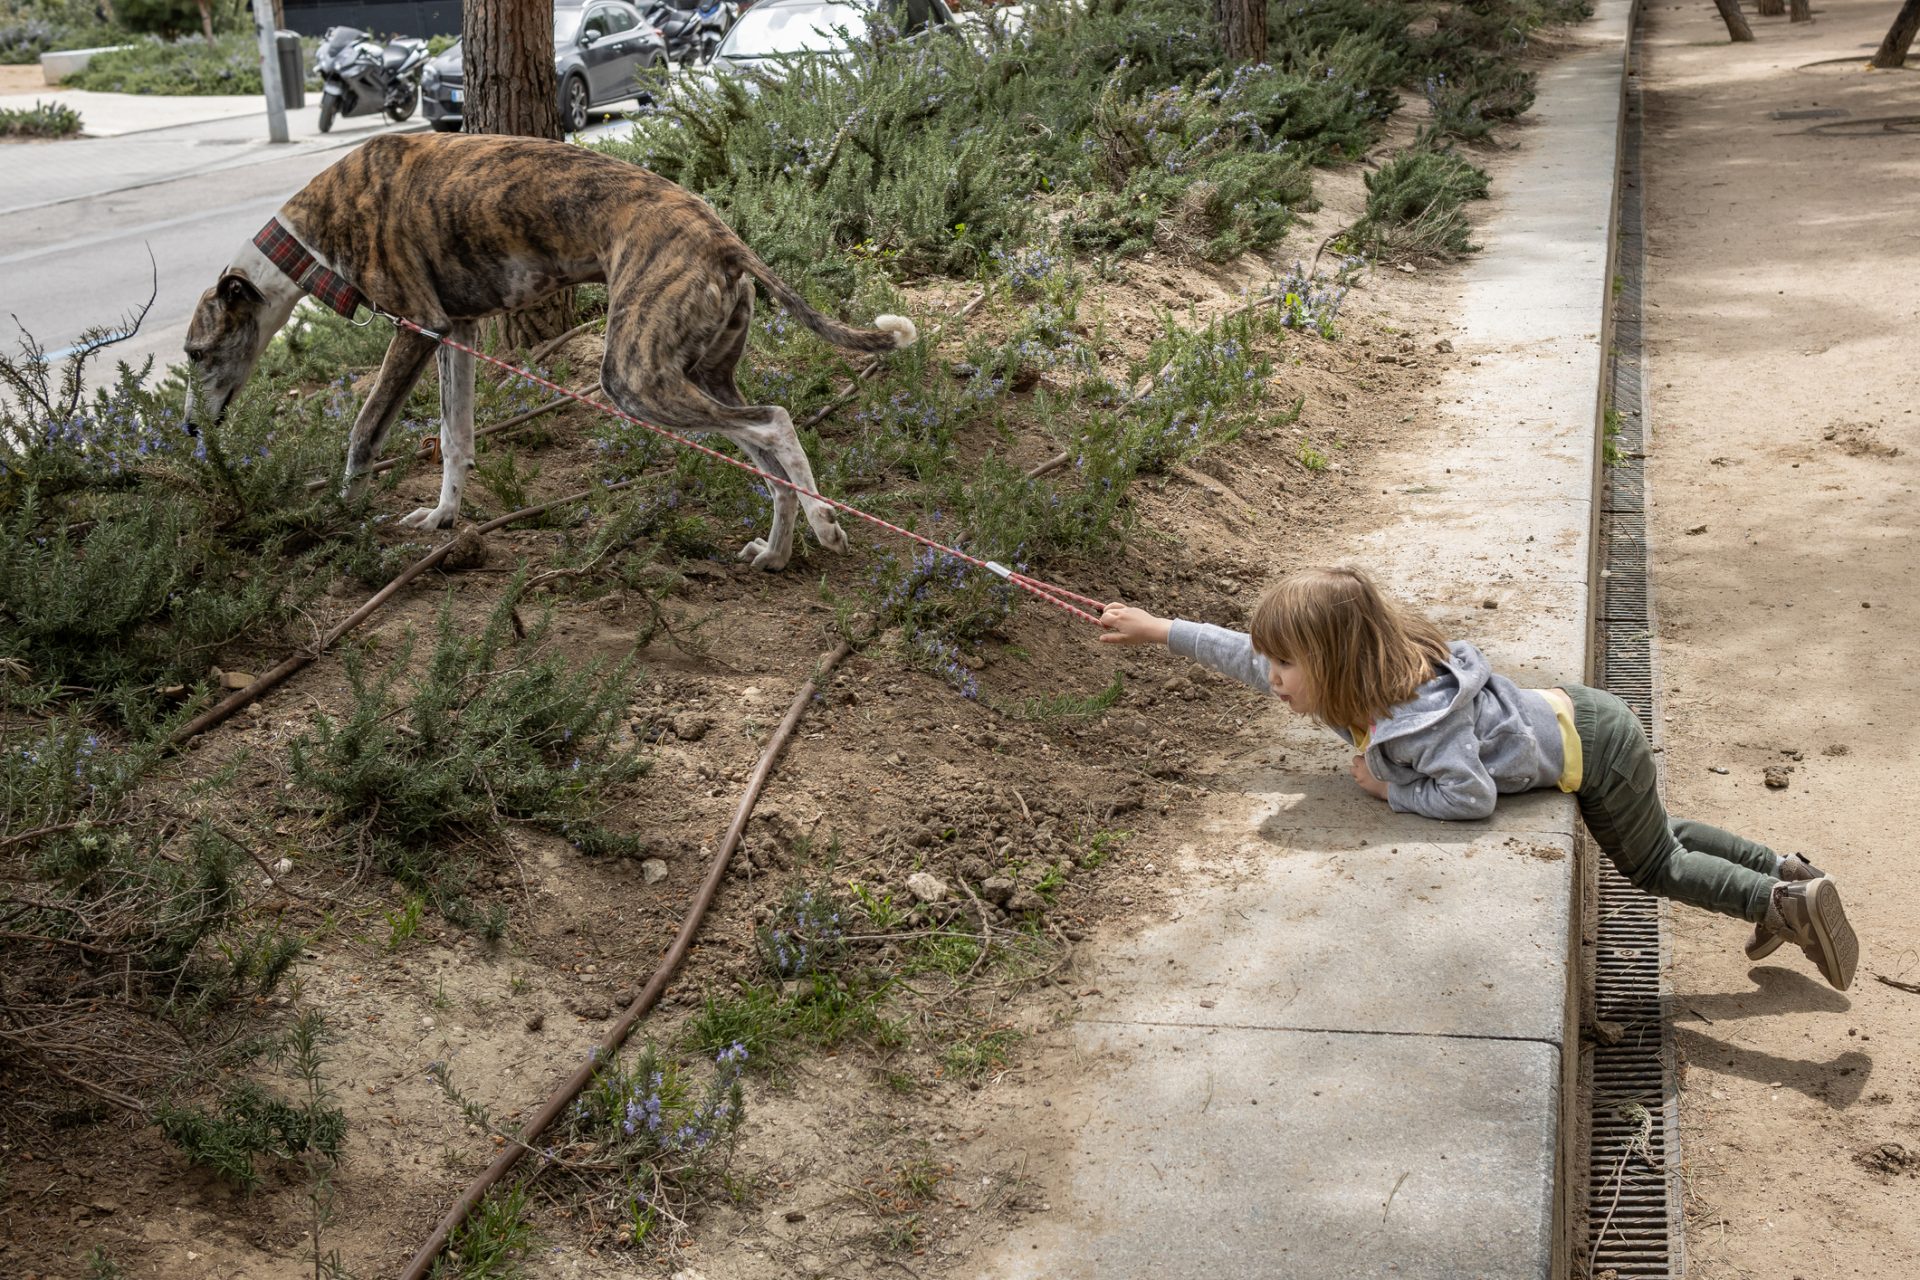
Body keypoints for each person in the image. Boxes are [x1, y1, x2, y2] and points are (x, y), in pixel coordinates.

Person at [1097, 566, 1860, 991]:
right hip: (1587, 719)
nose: (1270, 677)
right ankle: (1786, 872)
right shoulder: (1365, 678)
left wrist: (1386, 790)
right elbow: (1242, 653)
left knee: (1653, 862)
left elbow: (1469, 797)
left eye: (1285, 665)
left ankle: (1778, 903)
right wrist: (1159, 630)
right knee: (1663, 831)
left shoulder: (1412, 722)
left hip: (1589, 749)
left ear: (1330, 666)